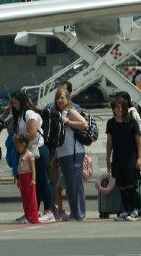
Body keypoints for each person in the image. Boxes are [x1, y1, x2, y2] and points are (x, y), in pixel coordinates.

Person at [8, 90, 55, 222]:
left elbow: (32, 133)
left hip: (37, 151)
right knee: (33, 183)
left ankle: (49, 210)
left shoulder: (29, 114)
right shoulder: (20, 115)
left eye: (15, 102)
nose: (14, 105)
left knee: (42, 180)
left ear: (21, 101)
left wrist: (18, 138)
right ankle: (33, 211)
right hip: (27, 152)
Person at [52, 88, 87, 221]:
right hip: (63, 153)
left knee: (76, 184)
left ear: (68, 99)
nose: (60, 100)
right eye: (58, 98)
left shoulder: (70, 111)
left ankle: (80, 213)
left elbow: (84, 124)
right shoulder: (58, 113)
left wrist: (68, 121)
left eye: (62, 98)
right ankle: (74, 212)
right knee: (69, 185)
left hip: (74, 152)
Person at [105, 95, 141, 221]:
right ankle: (126, 209)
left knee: (131, 185)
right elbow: (109, 143)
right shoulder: (111, 123)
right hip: (117, 158)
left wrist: (139, 158)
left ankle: (136, 209)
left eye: (121, 107)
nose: (119, 110)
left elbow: (138, 141)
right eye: (117, 107)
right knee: (121, 185)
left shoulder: (131, 123)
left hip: (130, 157)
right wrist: (108, 160)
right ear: (113, 109)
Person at [13, 133, 40, 224]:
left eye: (18, 146)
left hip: (28, 177)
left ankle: (33, 216)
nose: (17, 148)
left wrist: (33, 179)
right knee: (24, 198)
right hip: (22, 177)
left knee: (31, 198)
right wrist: (19, 180)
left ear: (24, 144)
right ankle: (27, 215)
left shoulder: (30, 155)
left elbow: (33, 168)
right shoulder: (21, 155)